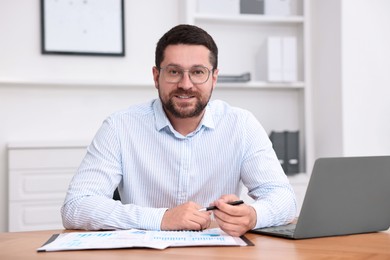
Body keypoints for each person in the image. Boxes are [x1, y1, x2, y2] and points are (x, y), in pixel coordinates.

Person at [61, 24, 296, 237]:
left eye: (198, 72)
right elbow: (76, 206)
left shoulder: (241, 124)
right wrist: (161, 218)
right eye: (174, 72)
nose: (185, 84)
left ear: (214, 78)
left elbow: (284, 199)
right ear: (156, 77)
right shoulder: (120, 127)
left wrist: (253, 215)